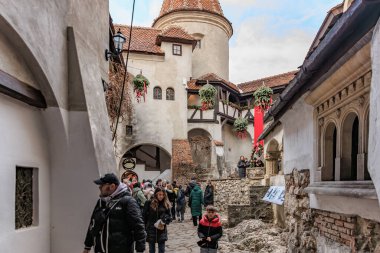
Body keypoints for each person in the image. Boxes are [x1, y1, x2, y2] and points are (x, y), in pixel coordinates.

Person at [83, 173, 146, 253]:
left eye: (102, 185)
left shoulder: (128, 202)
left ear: (112, 186)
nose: (99, 187)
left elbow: (139, 227)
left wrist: (140, 250)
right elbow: (92, 224)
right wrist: (87, 246)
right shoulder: (101, 202)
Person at [143, 187, 172, 253]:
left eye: (163, 194)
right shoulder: (149, 203)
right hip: (151, 229)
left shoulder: (166, 204)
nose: (161, 196)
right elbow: (144, 216)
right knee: (151, 250)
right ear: (156, 194)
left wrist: (164, 219)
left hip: (161, 230)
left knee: (162, 250)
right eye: (159, 194)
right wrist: (144, 228)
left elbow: (170, 217)